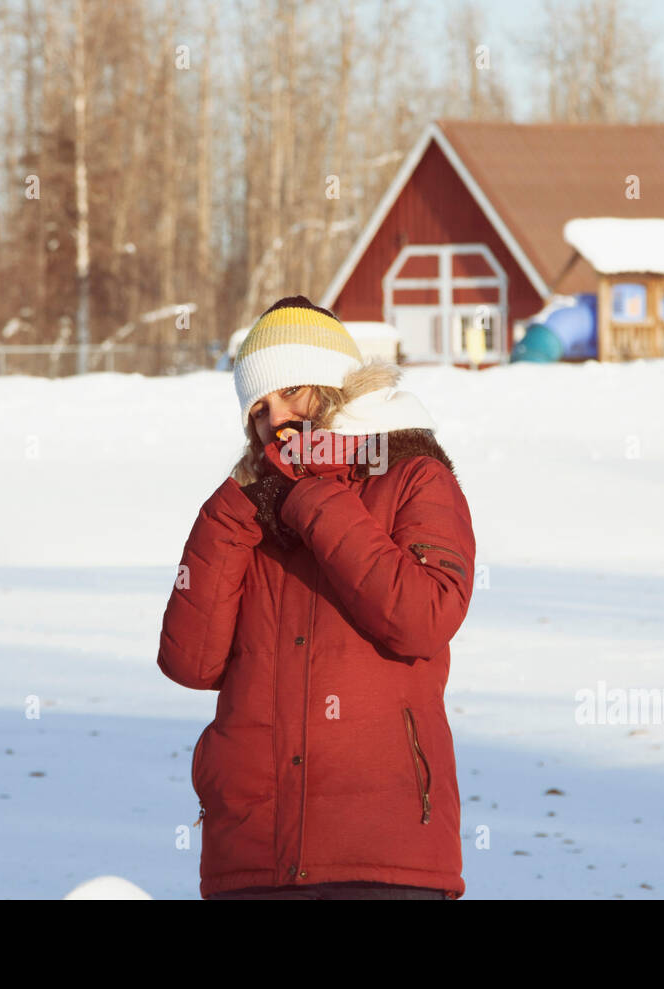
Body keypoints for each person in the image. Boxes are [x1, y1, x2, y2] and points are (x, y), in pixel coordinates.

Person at [157, 295, 476, 900]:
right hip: (254, 855)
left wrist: (313, 497)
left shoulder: (414, 477)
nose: (275, 419)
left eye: (292, 392)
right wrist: (228, 512)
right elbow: (190, 663)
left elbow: (423, 617)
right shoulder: (252, 512)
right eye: (258, 408)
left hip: (383, 855)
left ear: (336, 391)